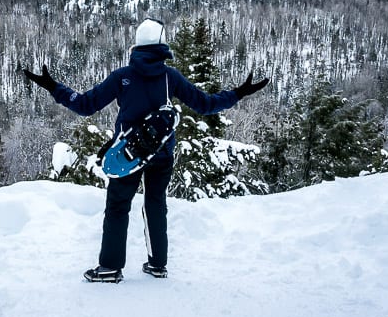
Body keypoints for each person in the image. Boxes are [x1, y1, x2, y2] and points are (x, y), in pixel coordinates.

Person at [23, 18, 268, 283]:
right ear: (162, 45)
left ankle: (109, 268)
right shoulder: (169, 77)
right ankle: (157, 265)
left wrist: (52, 86)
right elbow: (206, 105)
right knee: (155, 204)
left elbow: (85, 105)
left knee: (118, 206)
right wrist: (240, 92)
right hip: (161, 154)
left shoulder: (122, 77)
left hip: (127, 155)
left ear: (137, 46)